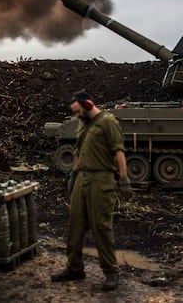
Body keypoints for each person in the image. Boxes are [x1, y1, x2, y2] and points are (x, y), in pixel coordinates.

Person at [50, 91, 132, 291]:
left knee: (100, 227)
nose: (77, 115)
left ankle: (111, 272)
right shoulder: (82, 124)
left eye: (78, 111)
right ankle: (74, 268)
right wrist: (73, 174)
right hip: (82, 179)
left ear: (87, 105)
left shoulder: (108, 122)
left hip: (101, 179)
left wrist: (124, 179)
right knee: (74, 225)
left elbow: (119, 151)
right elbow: (78, 150)